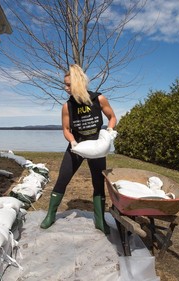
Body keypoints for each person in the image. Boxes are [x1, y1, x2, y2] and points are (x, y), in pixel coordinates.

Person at [40, 64, 117, 235]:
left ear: (78, 84)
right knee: (62, 179)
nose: (65, 88)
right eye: (65, 84)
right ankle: (51, 215)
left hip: (96, 147)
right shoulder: (67, 106)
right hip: (77, 146)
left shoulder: (99, 99)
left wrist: (110, 132)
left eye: (68, 85)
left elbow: (112, 117)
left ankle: (100, 220)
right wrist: (73, 142)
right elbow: (66, 129)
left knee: (98, 182)